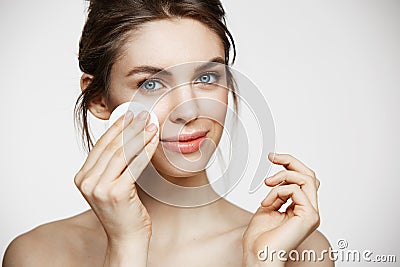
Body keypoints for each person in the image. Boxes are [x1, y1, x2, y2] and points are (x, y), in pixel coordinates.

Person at [3, 0, 333, 266]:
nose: (188, 112)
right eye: (151, 84)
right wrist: (126, 246)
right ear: (99, 99)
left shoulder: (296, 251)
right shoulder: (37, 255)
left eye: (206, 78)